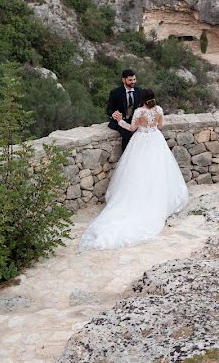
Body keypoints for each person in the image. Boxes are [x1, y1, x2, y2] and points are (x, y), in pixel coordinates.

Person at [80, 89, 189, 250]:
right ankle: (157, 199)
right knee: (158, 171)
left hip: (141, 141)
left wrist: (119, 120)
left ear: (142, 99)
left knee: (137, 172)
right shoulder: (159, 110)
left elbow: (131, 128)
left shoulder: (139, 111)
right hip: (156, 141)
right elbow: (161, 125)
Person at [106, 69, 141, 153]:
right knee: (126, 133)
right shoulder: (115, 92)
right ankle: (126, 157)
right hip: (120, 120)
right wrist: (113, 114)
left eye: (134, 79)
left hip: (134, 120)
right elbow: (108, 109)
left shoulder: (139, 91)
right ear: (123, 80)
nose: (133, 82)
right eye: (130, 80)